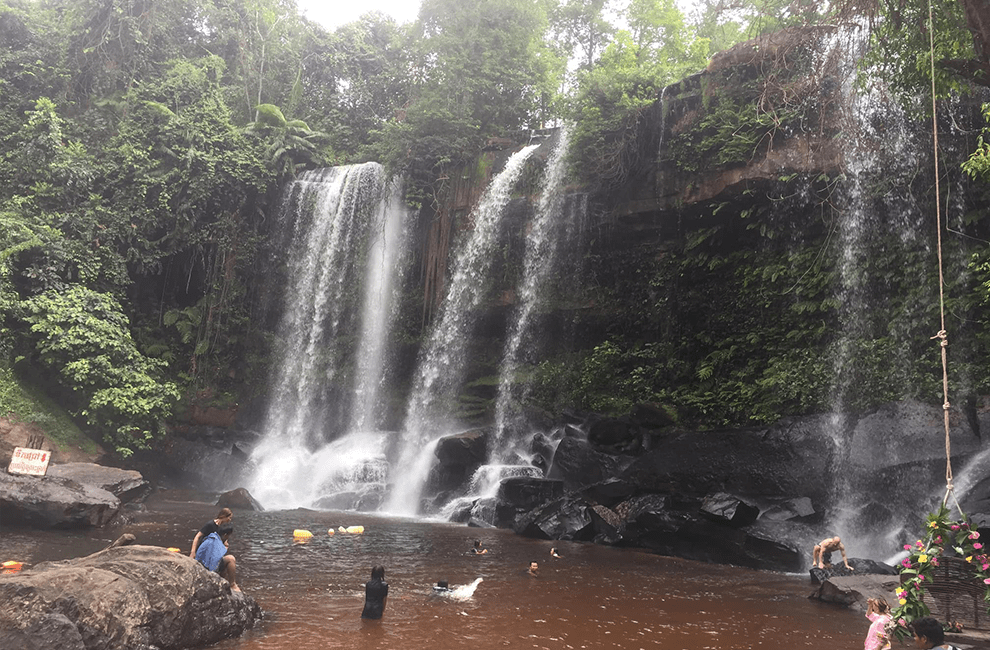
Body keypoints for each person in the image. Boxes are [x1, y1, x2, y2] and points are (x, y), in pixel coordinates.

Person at [194, 523, 240, 592]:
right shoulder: (216, 542)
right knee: (231, 559)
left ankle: (222, 581)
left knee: (223, 560)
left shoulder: (211, 537)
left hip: (199, 565)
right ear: (225, 535)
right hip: (207, 568)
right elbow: (215, 559)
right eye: (228, 535)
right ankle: (232, 584)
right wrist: (225, 547)